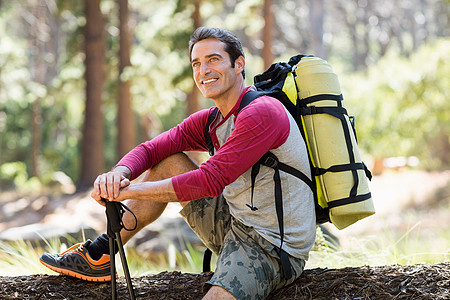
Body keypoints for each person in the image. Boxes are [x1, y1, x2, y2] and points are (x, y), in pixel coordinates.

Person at [40, 27, 316, 299]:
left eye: (213, 59)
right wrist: (118, 174)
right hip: (234, 222)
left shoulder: (262, 113)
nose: (203, 71)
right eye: (196, 63)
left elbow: (209, 180)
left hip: (272, 245)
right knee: (170, 160)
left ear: (239, 64)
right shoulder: (213, 119)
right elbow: (152, 149)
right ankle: (102, 254)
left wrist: (128, 191)